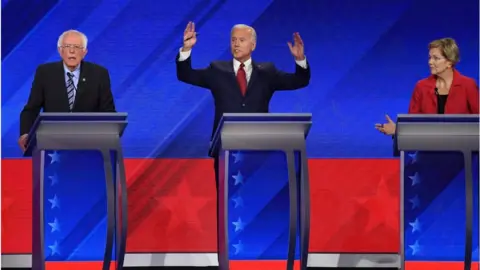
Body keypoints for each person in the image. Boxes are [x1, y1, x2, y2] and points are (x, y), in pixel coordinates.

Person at [175, 21, 310, 254]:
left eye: (241, 40)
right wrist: (186, 50)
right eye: (233, 40)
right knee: (227, 206)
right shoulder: (217, 70)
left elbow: (299, 81)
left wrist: (300, 61)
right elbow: (186, 75)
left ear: (253, 44)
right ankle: (227, 256)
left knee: (259, 203)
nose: (236, 44)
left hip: (261, 150)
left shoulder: (267, 72)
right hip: (225, 149)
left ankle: (259, 255)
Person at [18, 29, 116, 151]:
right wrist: (25, 133)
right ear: (60, 50)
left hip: (89, 145)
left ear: (84, 52)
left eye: (77, 47)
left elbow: (108, 112)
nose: (72, 51)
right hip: (52, 144)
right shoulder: (45, 72)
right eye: (67, 46)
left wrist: (108, 136)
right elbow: (31, 109)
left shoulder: (99, 74)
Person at [375, 37, 479, 138]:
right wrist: (397, 130)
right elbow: (412, 124)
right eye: (430, 57)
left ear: (449, 62)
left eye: (436, 58)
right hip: (427, 148)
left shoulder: (468, 85)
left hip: (461, 149)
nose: (430, 62)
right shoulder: (421, 87)